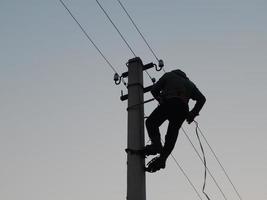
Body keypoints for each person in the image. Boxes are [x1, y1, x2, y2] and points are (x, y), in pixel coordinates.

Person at [144, 69, 206, 173]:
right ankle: (162, 159)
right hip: (182, 110)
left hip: (169, 103)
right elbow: (202, 99)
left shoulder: (168, 75)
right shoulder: (190, 84)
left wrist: (160, 99)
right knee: (171, 134)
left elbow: (154, 90)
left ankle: (156, 145)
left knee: (151, 122)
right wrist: (192, 114)